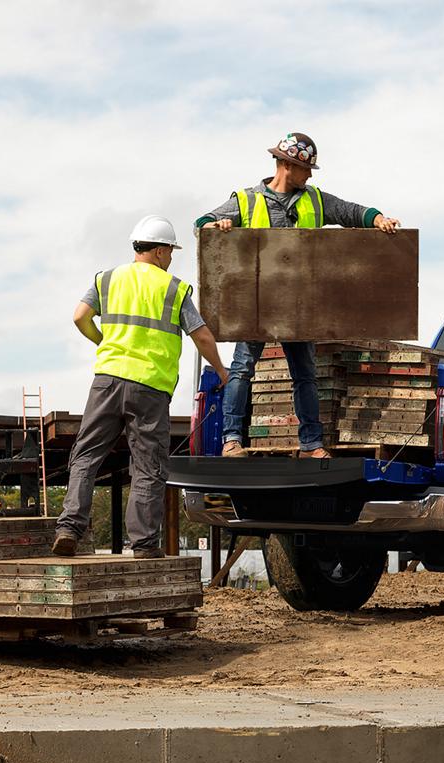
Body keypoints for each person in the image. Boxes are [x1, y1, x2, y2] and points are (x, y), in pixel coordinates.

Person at [197, 131, 402, 458]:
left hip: (299, 306)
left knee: (305, 375)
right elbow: (203, 222)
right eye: (306, 169)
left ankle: (311, 444)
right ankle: (232, 440)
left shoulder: (315, 200)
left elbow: (349, 211)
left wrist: (378, 218)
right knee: (242, 369)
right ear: (287, 165)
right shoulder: (246, 200)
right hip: (258, 304)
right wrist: (213, 227)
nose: (310, 175)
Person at [53, 215, 229, 558]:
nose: (171, 258)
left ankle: (69, 529)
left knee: (86, 455)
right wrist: (222, 371)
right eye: (171, 252)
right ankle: (144, 544)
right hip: (149, 387)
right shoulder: (173, 288)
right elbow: (202, 336)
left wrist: (104, 342)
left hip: (107, 380)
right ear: (160, 251)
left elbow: (79, 316)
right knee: (148, 465)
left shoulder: (108, 279)